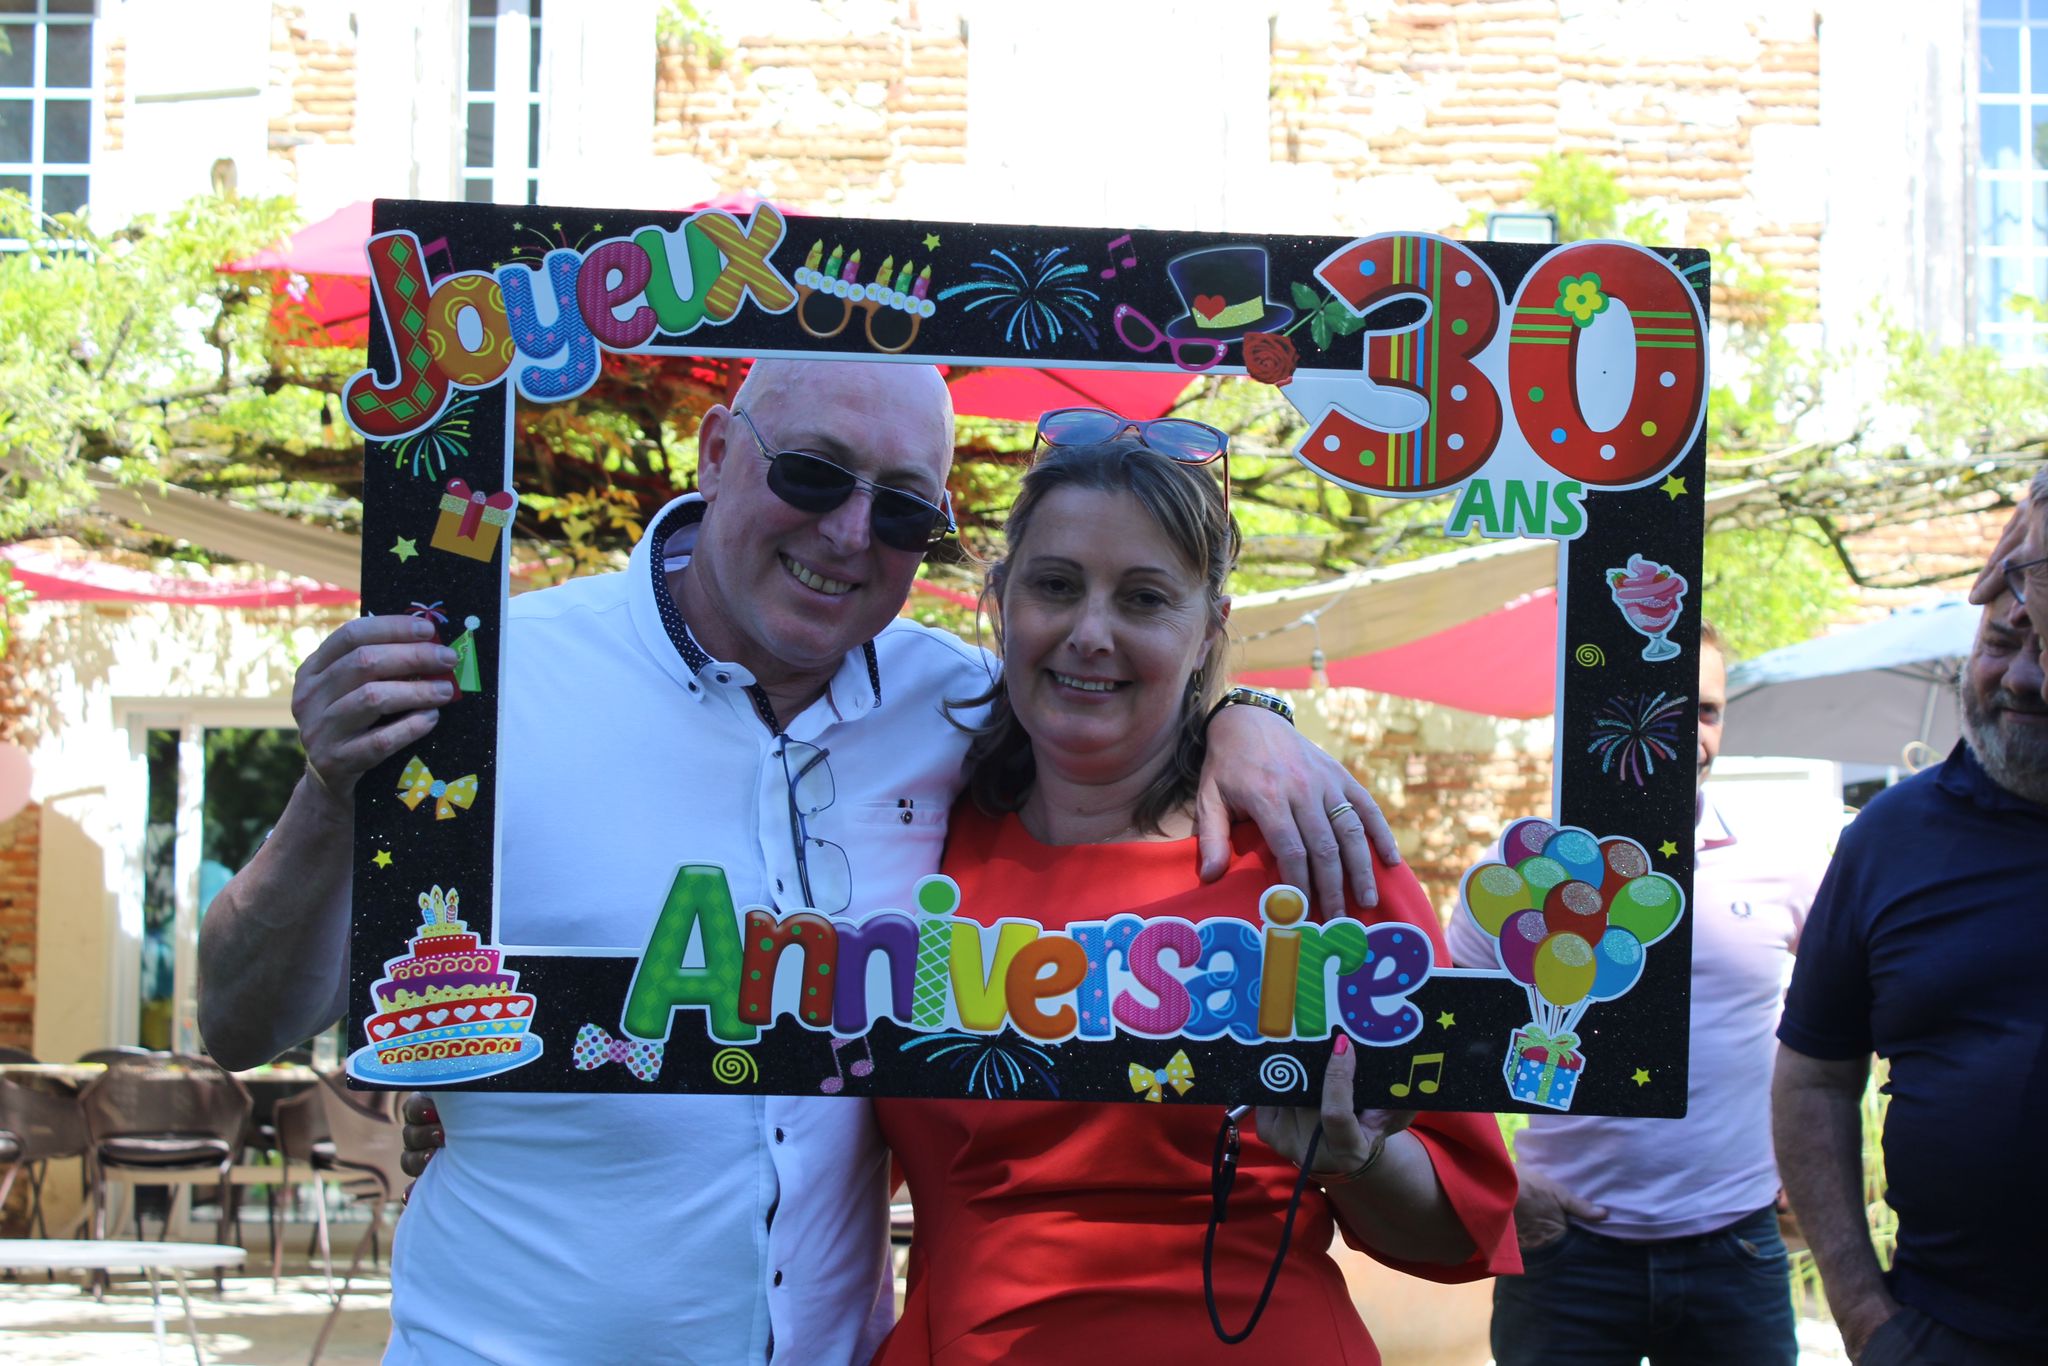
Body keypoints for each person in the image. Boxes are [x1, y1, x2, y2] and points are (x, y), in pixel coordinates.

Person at [196, 361, 1404, 1365]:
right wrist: (328, 794)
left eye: (903, 509)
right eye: (812, 473)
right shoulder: (496, 686)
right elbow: (242, 1021)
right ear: (718, 450)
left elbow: (1114, 679)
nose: (847, 533)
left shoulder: (958, 709)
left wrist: (1247, 718)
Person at [869, 422, 1519, 1364]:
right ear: (1001, 600)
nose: (1090, 633)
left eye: (1144, 598)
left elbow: (1461, 1230)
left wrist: (1356, 1159)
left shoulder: (1308, 852)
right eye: (1056, 585)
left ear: (1211, 626)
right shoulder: (909, 829)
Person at [1446, 622, 1819, 1365]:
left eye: (1706, 711)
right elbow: (1446, 1045)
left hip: (1737, 1250)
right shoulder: (1520, 874)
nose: (1689, 734)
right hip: (1565, 1254)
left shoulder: (1783, 863)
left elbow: (1838, 1032)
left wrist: (1809, 1173)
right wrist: (1509, 1187)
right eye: (1663, 706)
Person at [1774, 466, 2048, 1366]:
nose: (2022, 678)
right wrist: (1864, 1317)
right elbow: (1814, 1077)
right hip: (1945, 1334)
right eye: (2001, 640)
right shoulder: (1892, 837)